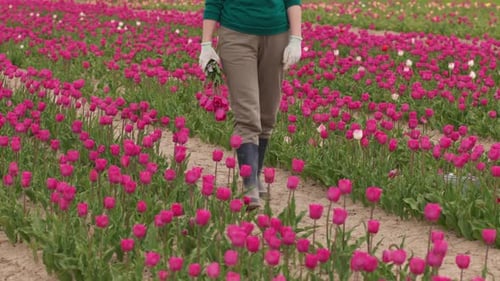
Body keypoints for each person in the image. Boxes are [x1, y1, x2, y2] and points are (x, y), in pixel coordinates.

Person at [199, 0, 302, 209]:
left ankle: (254, 173)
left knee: (267, 114)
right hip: (236, 37)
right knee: (247, 114)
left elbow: (292, 1)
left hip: (276, 37)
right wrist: (206, 44)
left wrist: (296, 38)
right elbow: (214, 3)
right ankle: (250, 186)